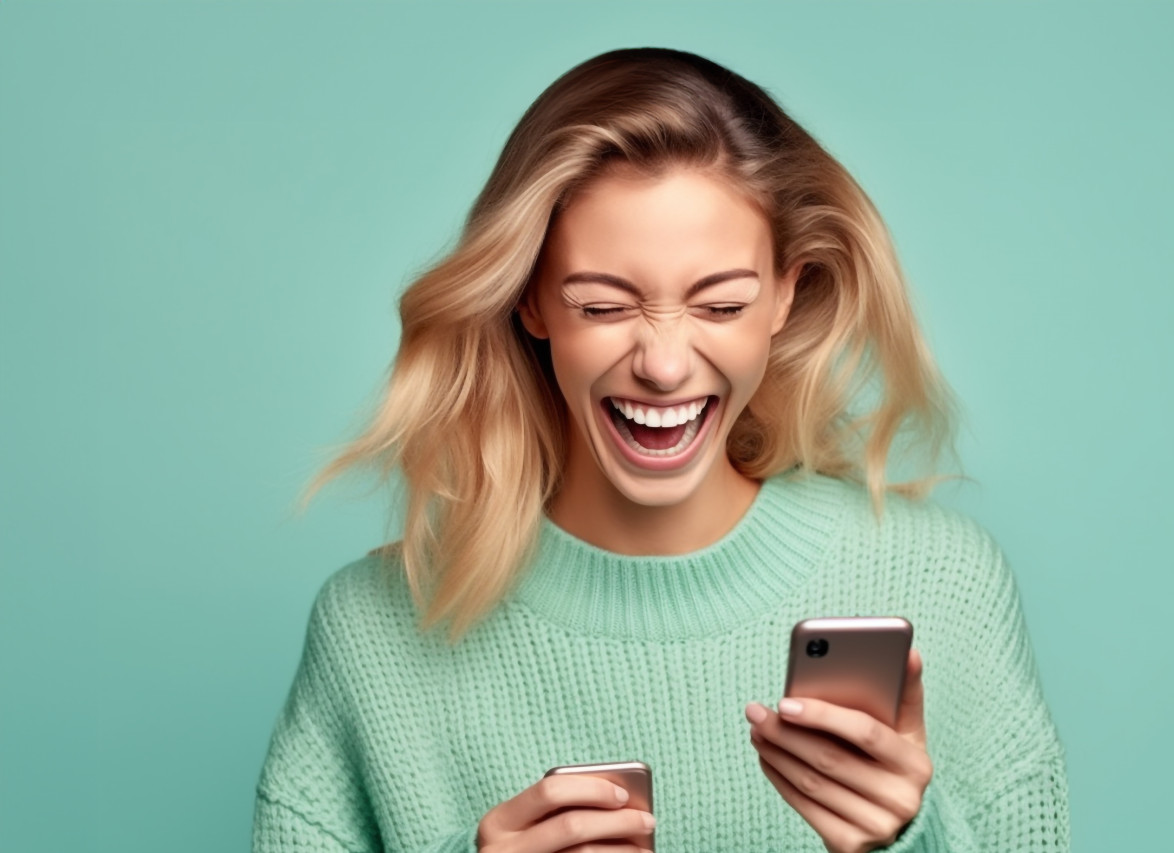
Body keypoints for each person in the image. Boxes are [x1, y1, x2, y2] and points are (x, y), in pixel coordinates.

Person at [252, 47, 1069, 852]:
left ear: (786, 294)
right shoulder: (372, 630)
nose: (665, 363)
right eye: (604, 306)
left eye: (721, 304)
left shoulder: (945, 583)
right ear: (531, 298)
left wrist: (911, 844)